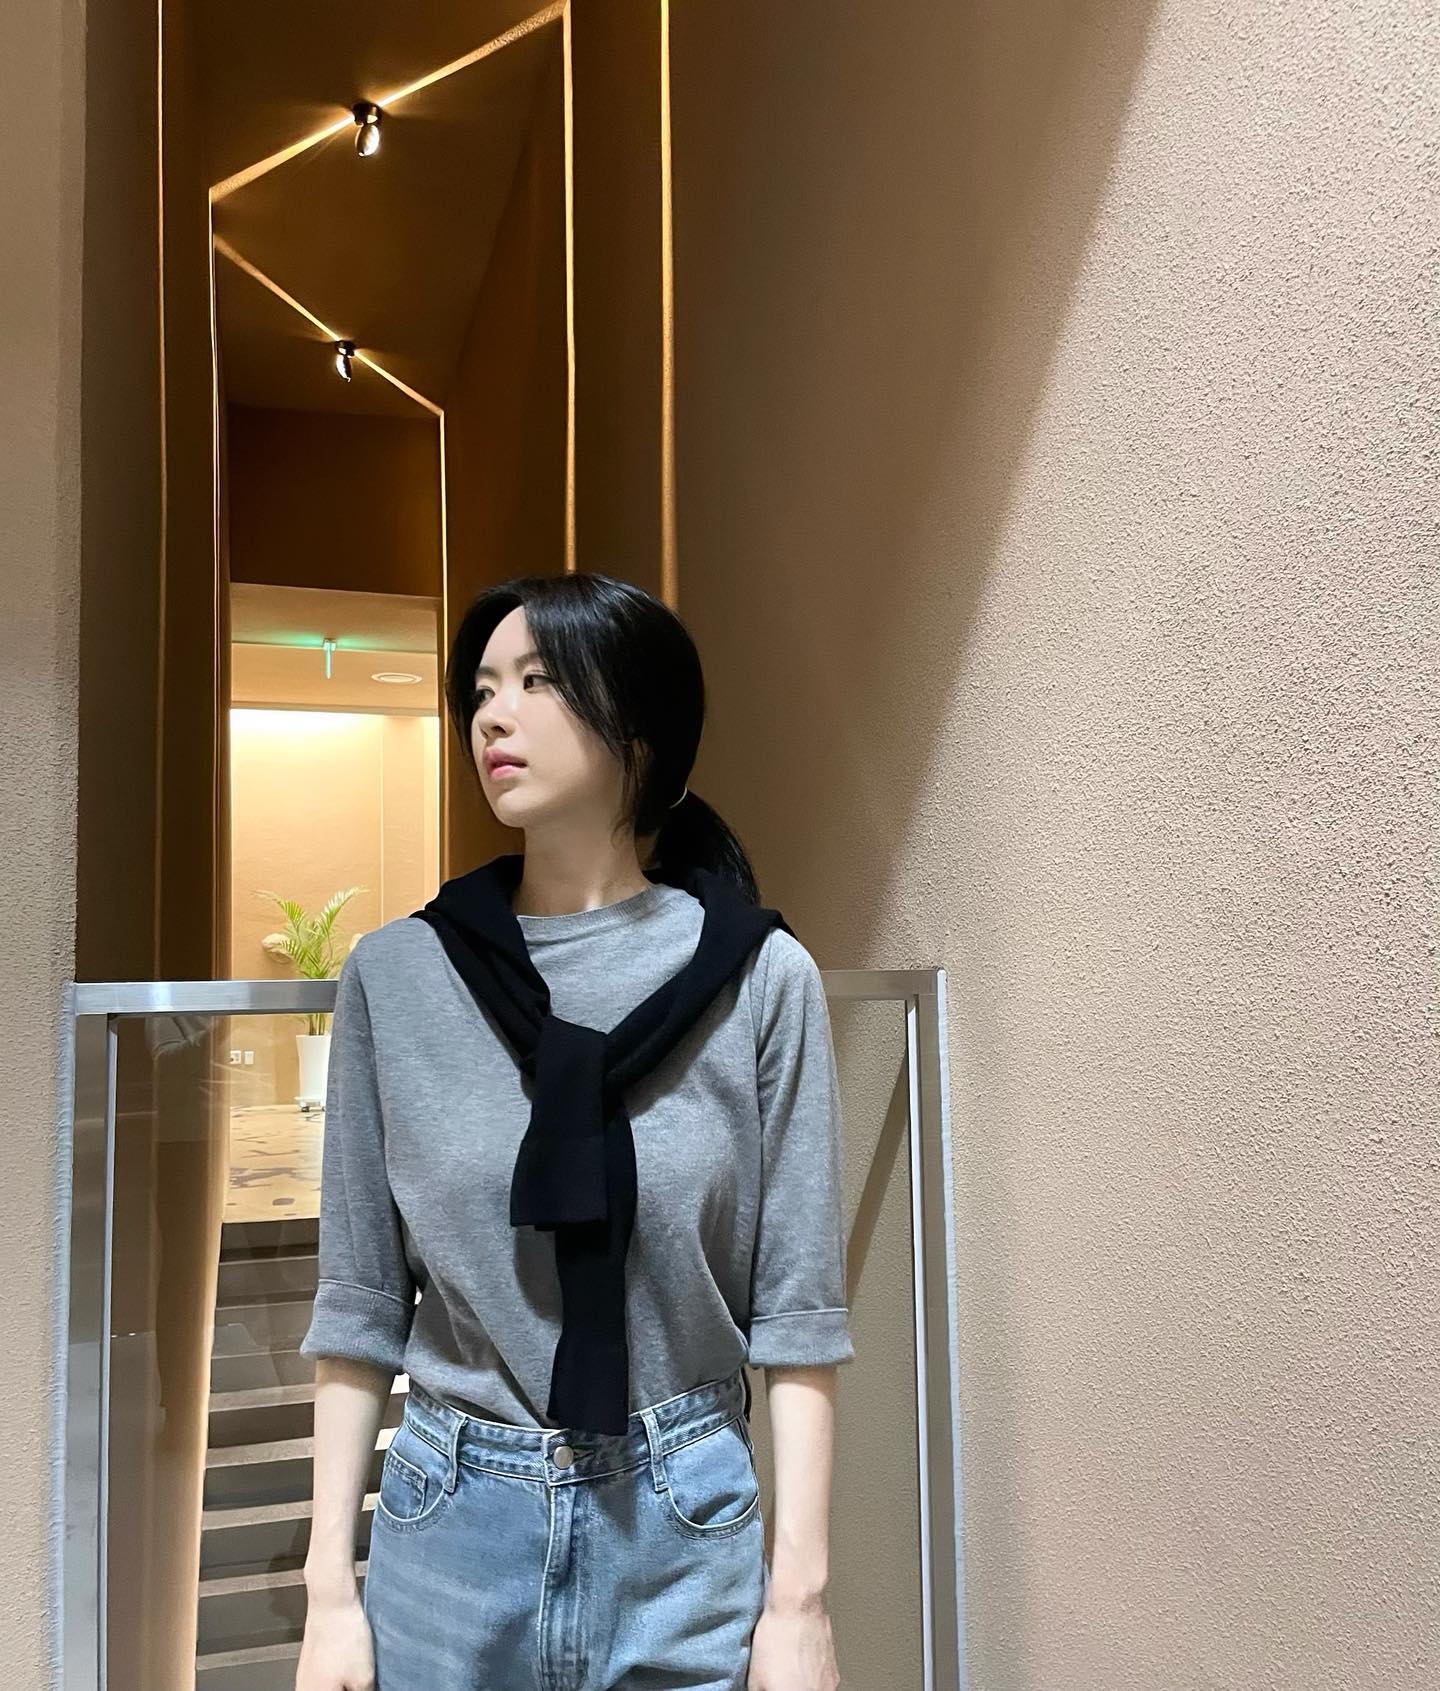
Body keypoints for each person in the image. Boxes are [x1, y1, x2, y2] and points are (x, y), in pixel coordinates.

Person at [295, 573, 855, 1691]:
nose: (492, 716)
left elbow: (797, 1315)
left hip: (683, 1524)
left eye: (537, 681)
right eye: (482, 690)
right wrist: (327, 1594)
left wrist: (800, 1600)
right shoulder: (395, 976)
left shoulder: (758, 979)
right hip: (449, 1526)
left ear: (638, 724)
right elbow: (360, 1302)